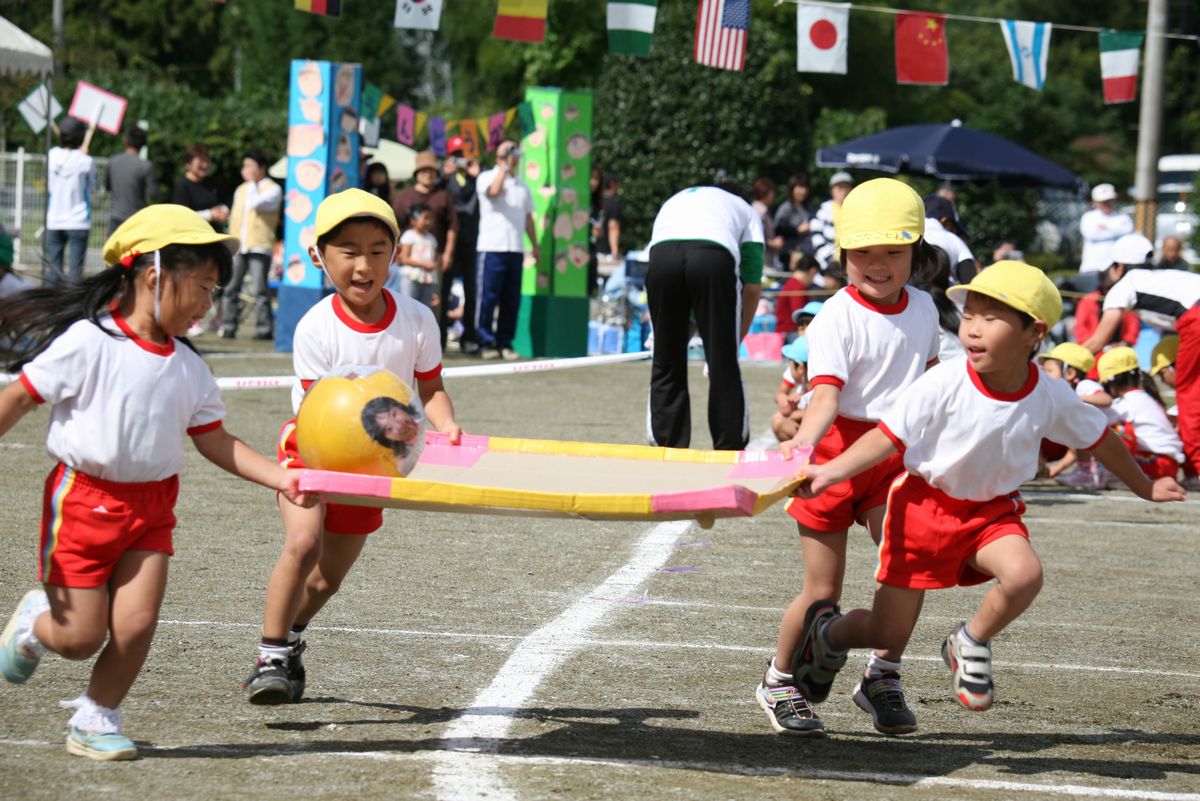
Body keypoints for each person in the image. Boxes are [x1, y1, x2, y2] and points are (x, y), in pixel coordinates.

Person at [787, 261, 1184, 723]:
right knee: (886, 627)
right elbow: (888, 437)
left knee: (1024, 575)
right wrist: (831, 471)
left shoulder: (1050, 394)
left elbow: (1099, 437)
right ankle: (830, 637)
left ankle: (969, 640)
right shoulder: (945, 379)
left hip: (992, 513)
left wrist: (1145, 485)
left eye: (990, 319)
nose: (972, 329)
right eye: (969, 315)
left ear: (1034, 332)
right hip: (922, 509)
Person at [0, 205, 312, 760]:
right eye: (204, 288)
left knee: (138, 624)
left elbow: (215, 440)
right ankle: (33, 626)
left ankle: (97, 718)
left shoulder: (190, 368)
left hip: (152, 509)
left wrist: (281, 477)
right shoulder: (88, 342)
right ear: (155, 276)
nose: (209, 305)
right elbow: (21, 395)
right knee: (78, 639)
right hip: (82, 502)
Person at [242, 189, 463, 705]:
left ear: (395, 251)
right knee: (303, 546)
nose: (364, 265)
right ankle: (269, 657)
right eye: (348, 250)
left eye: (377, 250)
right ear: (320, 254)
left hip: (375, 463)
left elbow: (430, 389)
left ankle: (291, 637)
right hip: (312, 452)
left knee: (325, 583)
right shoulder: (316, 326)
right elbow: (320, 413)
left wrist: (448, 425)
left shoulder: (417, 319)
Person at [756, 178, 941, 738]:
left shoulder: (928, 307)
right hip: (835, 450)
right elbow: (827, 396)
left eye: (893, 251)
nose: (877, 264)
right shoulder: (836, 315)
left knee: (909, 570)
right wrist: (805, 450)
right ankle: (779, 680)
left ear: (917, 253)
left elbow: (931, 386)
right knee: (822, 592)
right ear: (842, 255)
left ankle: (882, 675)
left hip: (895, 456)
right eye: (863, 252)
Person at [645, 182, 764, 450]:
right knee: (723, 364)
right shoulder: (746, 210)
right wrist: (731, 341)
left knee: (666, 361)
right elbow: (753, 288)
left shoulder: (676, 198)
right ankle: (728, 446)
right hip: (714, 255)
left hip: (661, 256)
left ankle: (667, 446)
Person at [1080, 236, 1200, 488]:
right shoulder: (1166, 276)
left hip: (1196, 319)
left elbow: (1097, 341)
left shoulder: (1124, 285)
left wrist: (1065, 363)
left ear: (1118, 266)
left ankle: (1196, 470)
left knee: (1189, 396)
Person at [475, 141, 540, 361]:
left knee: (511, 299)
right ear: (499, 156)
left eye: (515, 154)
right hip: (492, 247)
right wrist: (503, 167)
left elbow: (528, 217)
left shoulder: (522, 185)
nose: (513, 158)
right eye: (508, 153)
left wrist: (535, 244)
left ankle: (505, 342)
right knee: (488, 296)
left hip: (515, 248)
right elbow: (493, 192)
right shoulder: (486, 177)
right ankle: (484, 341)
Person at [1035, 342, 1118, 488]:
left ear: (1070, 373)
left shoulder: (1084, 385)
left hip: (1116, 436)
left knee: (1080, 427)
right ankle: (1084, 469)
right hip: (1102, 439)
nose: (1045, 375)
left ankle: (1087, 472)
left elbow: (1106, 399)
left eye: (1049, 370)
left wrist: (1077, 398)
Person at [1097, 347, 1184, 480]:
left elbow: (1099, 421)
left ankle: (1117, 475)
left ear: (1111, 382)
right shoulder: (1145, 397)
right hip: (1169, 464)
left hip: (1154, 463)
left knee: (1111, 429)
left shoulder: (1125, 403)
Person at [222, 149, 282, 340]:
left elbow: (257, 203)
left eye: (249, 165)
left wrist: (253, 183)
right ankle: (227, 327)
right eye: (244, 165)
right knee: (231, 287)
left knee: (260, 289)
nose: (245, 169)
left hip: (259, 245)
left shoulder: (273, 188)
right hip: (239, 244)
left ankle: (264, 329)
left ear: (262, 168)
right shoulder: (241, 189)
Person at [45, 116, 98, 285]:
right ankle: (73, 310)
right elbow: (93, 188)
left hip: (54, 219)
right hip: (79, 220)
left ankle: (49, 308)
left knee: (53, 272)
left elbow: (49, 187)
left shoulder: (51, 156)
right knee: (75, 274)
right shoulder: (86, 161)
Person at [442, 136, 481, 353]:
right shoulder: (444, 177)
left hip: (472, 239)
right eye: (455, 155)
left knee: (471, 289)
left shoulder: (478, 176)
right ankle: (440, 336)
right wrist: (444, 175)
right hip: (449, 237)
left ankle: (470, 337)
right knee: (444, 287)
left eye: (462, 155)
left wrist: (477, 174)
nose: (460, 160)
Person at [1078, 184, 1134, 286]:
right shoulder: (1088, 217)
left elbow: (1128, 232)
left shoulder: (1123, 217)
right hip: (1092, 267)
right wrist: (1116, 229)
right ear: (1095, 202)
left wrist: (1105, 228)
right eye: (1103, 201)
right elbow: (1091, 234)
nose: (1107, 204)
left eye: (1109, 200)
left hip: (1115, 270)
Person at [105, 126, 156, 235]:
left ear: (125, 141)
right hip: (136, 219)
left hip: (116, 216)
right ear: (144, 144)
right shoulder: (146, 166)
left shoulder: (113, 161)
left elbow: (107, 187)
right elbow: (153, 192)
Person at [921, 194, 976, 285]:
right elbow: (969, 282)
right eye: (954, 227)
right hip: (941, 296)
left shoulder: (905, 234)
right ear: (945, 221)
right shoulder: (954, 240)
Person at [171, 145, 228, 230]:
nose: (205, 165)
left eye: (207, 161)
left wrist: (223, 211)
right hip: (194, 236)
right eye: (200, 162)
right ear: (188, 165)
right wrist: (210, 215)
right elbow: (181, 216)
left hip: (214, 234)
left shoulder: (212, 183)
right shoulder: (182, 186)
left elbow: (223, 202)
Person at [398, 203, 439, 309]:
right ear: (413, 220)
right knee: (407, 307)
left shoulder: (432, 239)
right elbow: (403, 258)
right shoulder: (409, 236)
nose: (428, 222)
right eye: (425, 218)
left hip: (427, 280)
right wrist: (422, 264)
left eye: (430, 218)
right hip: (411, 278)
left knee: (424, 310)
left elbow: (433, 258)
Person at [771, 336, 810, 442]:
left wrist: (798, 414)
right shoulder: (807, 384)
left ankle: (810, 452)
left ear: (800, 367)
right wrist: (790, 405)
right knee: (779, 418)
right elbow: (779, 395)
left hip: (823, 434)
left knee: (779, 421)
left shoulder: (816, 388)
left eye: (791, 363)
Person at [773, 254, 819, 342]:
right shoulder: (797, 286)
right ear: (813, 271)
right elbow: (798, 312)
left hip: (786, 331)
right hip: (791, 331)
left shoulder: (792, 283)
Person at [809, 172, 853, 253]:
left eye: (846, 187)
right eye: (840, 188)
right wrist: (828, 259)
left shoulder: (857, 210)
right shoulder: (822, 212)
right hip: (829, 261)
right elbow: (816, 237)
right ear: (832, 190)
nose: (843, 191)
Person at [772, 175, 813, 260]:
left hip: (807, 254)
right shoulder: (785, 208)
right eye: (800, 187)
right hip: (788, 255)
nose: (803, 191)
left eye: (805, 188)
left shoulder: (809, 208)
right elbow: (778, 230)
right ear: (792, 189)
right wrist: (797, 230)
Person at [750, 178, 784, 269]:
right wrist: (772, 243)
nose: (773, 195)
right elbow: (756, 236)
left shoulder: (758, 209)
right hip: (761, 261)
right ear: (765, 193)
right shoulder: (759, 211)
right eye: (772, 192)